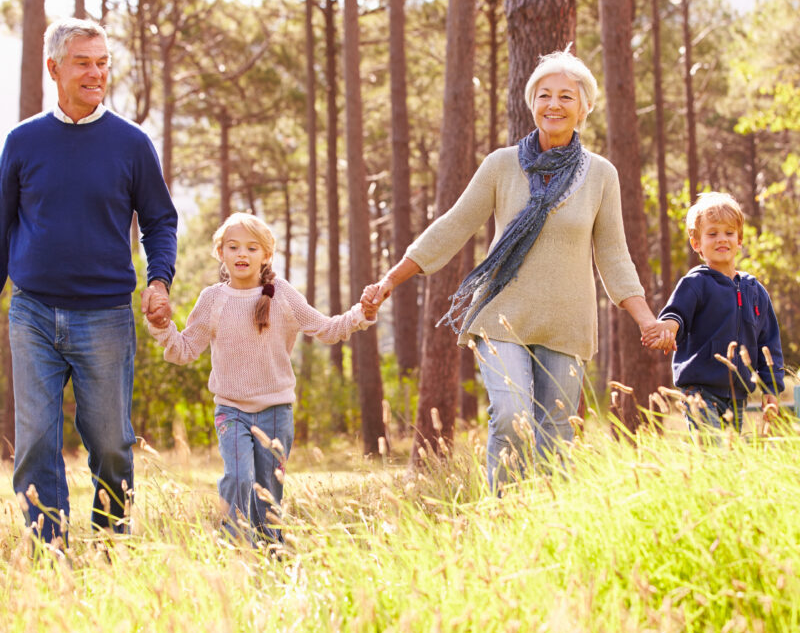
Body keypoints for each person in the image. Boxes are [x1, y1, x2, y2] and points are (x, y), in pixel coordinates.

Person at [364, 49, 658, 489]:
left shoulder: (601, 175)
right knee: (511, 414)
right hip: (502, 317)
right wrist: (391, 278)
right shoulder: (503, 165)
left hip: (567, 324)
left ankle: (542, 529)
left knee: (556, 438)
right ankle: (502, 517)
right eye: (544, 95)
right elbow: (453, 225)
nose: (553, 105)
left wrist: (646, 318)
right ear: (531, 102)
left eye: (565, 96)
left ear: (584, 108)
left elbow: (614, 255)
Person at [0, 18, 177, 542]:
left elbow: (160, 220)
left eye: (102, 63)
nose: (96, 73)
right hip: (31, 311)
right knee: (35, 440)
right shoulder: (23, 141)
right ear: (54, 67)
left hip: (105, 314)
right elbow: (2, 224)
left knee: (110, 443)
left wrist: (159, 280)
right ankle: (48, 548)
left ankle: (109, 544)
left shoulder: (131, 143)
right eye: (84, 63)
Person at [146, 212, 377, 543]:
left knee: (268, 495)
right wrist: (161, 326)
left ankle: (271, 559)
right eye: (233, 247)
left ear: (266, 255)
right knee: (239, 478)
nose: (242, 254)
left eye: (252, 248)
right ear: (220, 253)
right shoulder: (212, 299)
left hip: (275, 412)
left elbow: (326, 328)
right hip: (231, 410)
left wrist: (361, 314)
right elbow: (184, 350)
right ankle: (237, 547)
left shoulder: (281, 294)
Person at [643, 193, 784, 431]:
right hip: (700, 392)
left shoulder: (755, 291)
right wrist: (668, 328)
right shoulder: (696, 283)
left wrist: (771, 390)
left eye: (729, 233)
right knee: (711, 450)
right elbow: (676, 314)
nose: (722, 239)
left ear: (739, 240)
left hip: (737, 396)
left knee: (726, 460)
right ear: (696, 243)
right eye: (712, 233)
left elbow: (769, 344)